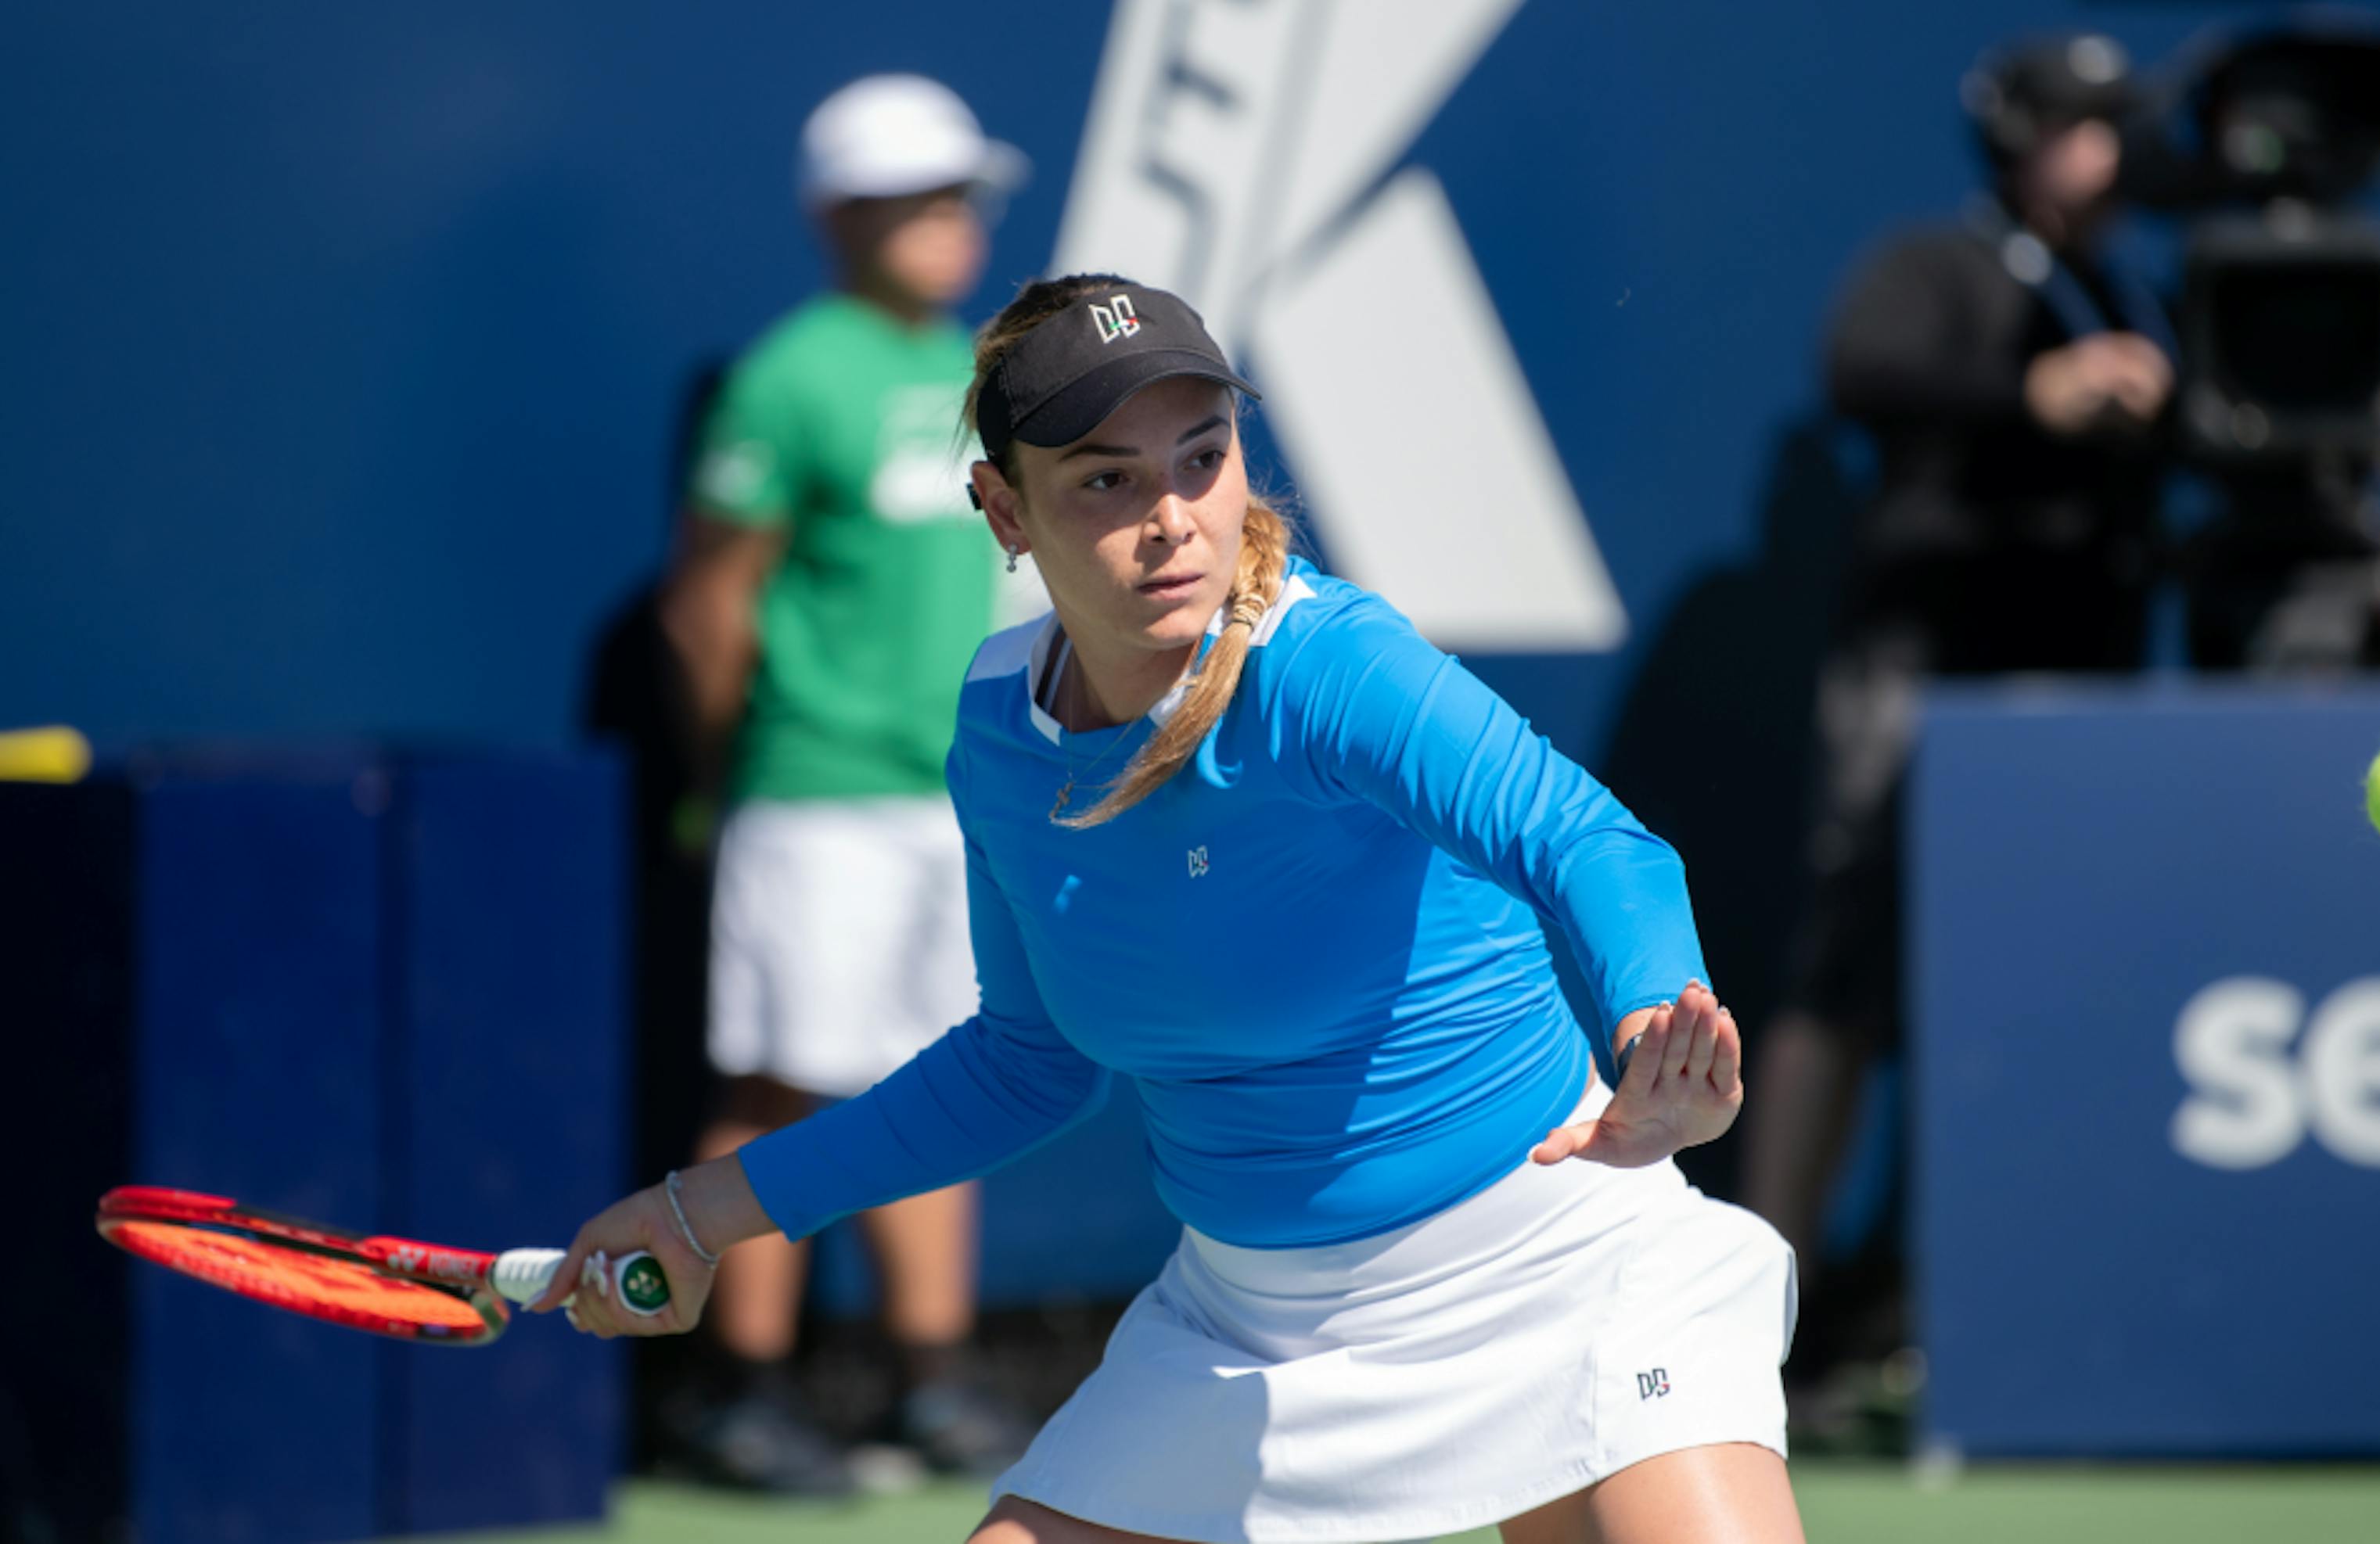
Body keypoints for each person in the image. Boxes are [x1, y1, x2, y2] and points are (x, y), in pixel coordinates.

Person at [540, 276, 1806, 1544]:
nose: (1173, 521)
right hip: (1247, 1331)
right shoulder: (998, 734)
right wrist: (701, 1210)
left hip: (1557, 1268)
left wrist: (1654, 1018)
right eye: (1105, 480)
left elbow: (1583, 836)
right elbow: (1025, 1063)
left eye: (1202, 461)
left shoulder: (1331, 665)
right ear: (1003, 509)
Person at [1741, 32, 2177, 1422]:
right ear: (2017, 137)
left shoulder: (2130, 288)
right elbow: (1861, 370)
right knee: (1851, 965)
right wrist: (2033, 399)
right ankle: (1764, 1324)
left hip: (2076, 689)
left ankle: (1946, 1311)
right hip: (1924, 669)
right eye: (2081, 126)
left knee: (2030, 991)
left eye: (2120, 127)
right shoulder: (1940, 266)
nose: (2108, 155)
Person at [656, 74, 1045, 1493]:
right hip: (813, 795)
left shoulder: (982, 373)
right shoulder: (789, 374)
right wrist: (732, 770)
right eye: (918, 197)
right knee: (782, 1086)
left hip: (958, 797)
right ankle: (737, 1389)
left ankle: (930, 1381)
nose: (950, 223)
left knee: (947, 1081)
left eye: (961, 196)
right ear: (842, 217)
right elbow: (710, 605)